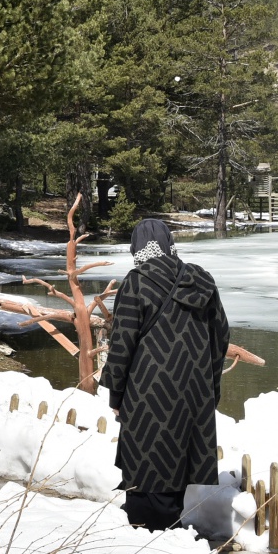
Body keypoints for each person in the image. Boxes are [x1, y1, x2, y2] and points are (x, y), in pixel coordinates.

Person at [100, 218, 229, 532]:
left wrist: (116, 394)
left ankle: (150, 537)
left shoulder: (136, 282)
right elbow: (221, 336)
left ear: (137, 249)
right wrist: (210, 387)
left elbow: (122, 343)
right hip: (194, 390)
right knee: (176, 460)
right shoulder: (202, 280)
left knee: (146, 461)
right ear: (170, 244)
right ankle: (168, 526)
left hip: (148, 390)